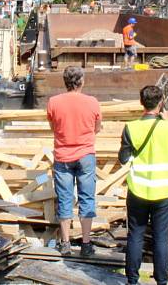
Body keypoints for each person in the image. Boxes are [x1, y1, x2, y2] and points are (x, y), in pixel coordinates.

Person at [119, 86, 168, 285]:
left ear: (141, 102)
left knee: (135, 235)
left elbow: (123, 158)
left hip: (138, 189)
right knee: (161, 238)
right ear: (161, 102)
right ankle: (162, 281)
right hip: (164, 189)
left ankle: (132, 280)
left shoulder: (131, 127)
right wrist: (167, 121)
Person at [46, 66, 102, 257]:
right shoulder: (92, 102)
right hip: (86, 155)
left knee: (65, 198)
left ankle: (66, 243)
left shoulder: (53, 102)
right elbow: (97, 127)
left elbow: (53, 127)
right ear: (82, 82)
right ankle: (86, 244)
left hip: (63, 156)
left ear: (65, 82)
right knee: (87, 198)